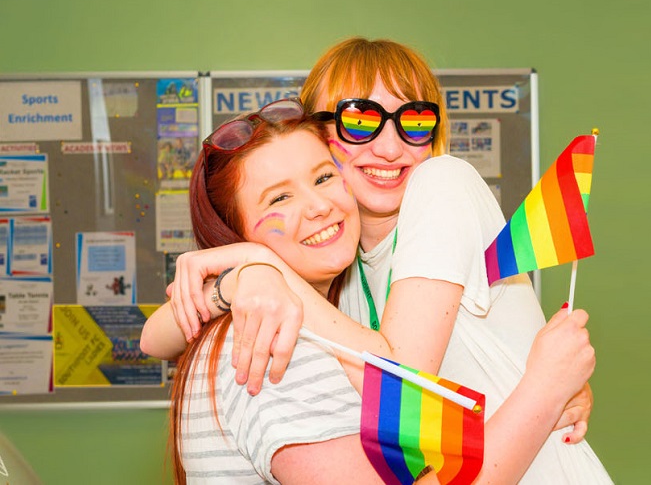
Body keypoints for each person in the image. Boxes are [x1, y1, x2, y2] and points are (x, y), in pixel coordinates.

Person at [144, 38, 611, 483]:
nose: (390, 148)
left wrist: (259, 263)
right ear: (319, 136)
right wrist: (241, 280)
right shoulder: (340, 269)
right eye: (361, 120)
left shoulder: (441, 184)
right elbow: (154, 339)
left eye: (415, 121)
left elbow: (403, 388)